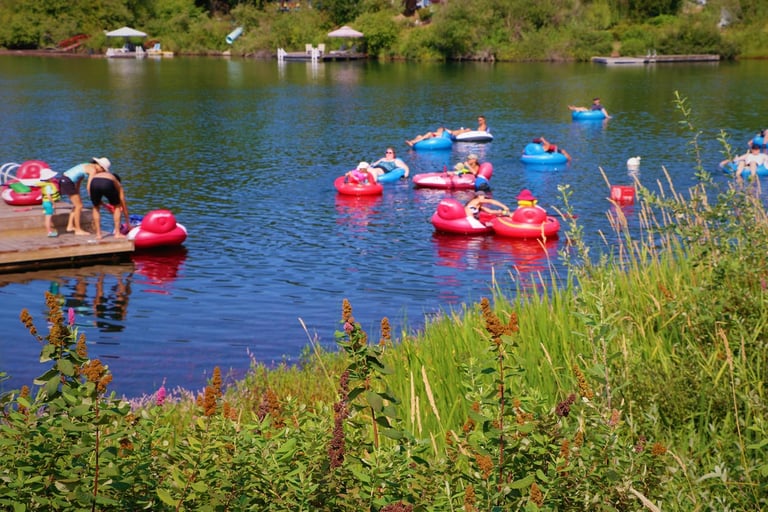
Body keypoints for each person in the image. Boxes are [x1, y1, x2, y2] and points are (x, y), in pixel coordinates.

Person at [59, 157, 110, 235]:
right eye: (102, 170)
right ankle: (78, 230)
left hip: (65, 180)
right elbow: (89, 185)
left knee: (77, 205)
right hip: (67, 181)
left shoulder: (86, 165)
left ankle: (70, 226)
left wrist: (77, 191)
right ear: (99, 166)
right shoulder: (93, 170)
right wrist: (93, 196)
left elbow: (79, 180)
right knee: (79, 206)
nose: (101, 172)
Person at [87, 171, 129, 239]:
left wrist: (104, 205)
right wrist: (128, 223)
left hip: (94, 182)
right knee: (117, 206)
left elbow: (90, 192)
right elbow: (124, 204)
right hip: (106, 183)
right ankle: (117, 234)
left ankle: (98, 235)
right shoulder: (117, 183)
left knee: (96, 207)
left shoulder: (101, 175)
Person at [37, 171, 60, 237]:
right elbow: (49, 196)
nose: (53, 177)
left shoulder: (45, 184)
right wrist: (53, 204)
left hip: (45, 202)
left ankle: (49, 231)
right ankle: (49, 232)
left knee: (47, 217)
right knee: (48, 218)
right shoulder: (48, 186)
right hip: (48, 203)